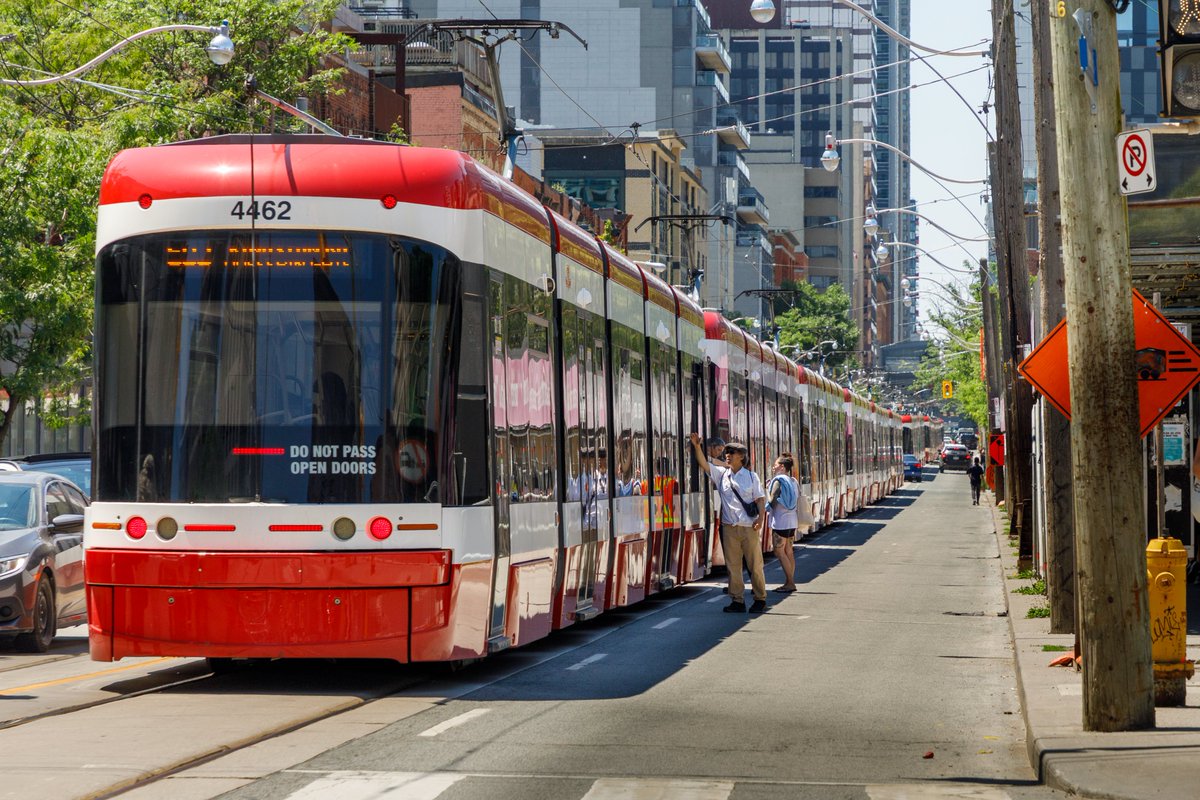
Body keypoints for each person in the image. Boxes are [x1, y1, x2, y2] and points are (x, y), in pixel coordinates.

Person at [688, 432, 768, 613]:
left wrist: (760, 519)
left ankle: (760, 598)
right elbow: (704, 465)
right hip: (729, 528)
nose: (728, 455)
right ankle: (737, 600)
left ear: (741, 456)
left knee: (755, 565)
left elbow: (760, 500)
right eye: (727, 452)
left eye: (732, 452)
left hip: (749, 527)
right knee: (733, 566)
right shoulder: (722, 475)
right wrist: (697, 447)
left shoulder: (751, 477)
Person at [767, 453, 801, 593]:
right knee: (789, 551)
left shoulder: (778, 481)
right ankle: (789, 581)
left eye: (775, 464)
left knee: (779, 552)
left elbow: (772, 500)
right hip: (792, 521)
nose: (773, 467)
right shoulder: (793, 481)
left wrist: (767, 489)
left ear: (781, 466)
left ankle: (790, 583)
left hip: (780, 521)